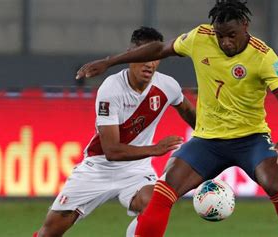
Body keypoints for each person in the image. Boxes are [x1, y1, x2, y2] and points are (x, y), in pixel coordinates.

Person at [76, 0, 278, 236]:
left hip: (250, 140)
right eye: (220, 36)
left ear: (245, 26)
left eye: (232, 35)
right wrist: (109, 62)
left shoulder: (263, 56)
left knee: (275, 183)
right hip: (207, 141)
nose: (225, 42)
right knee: (164, 190)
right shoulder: (200, 38)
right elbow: (158, 49)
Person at [34, 26, 196, 237]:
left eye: (155, 57)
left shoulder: (167, 86)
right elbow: (111, 151)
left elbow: (187, 110)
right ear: (131, 54)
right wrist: (155, 149)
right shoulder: (111, 89)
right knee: (51, 232)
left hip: (136, 170)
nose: (150, 63)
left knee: (154, 205)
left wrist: (207, 136)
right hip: (98, 167)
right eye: (144, 56)